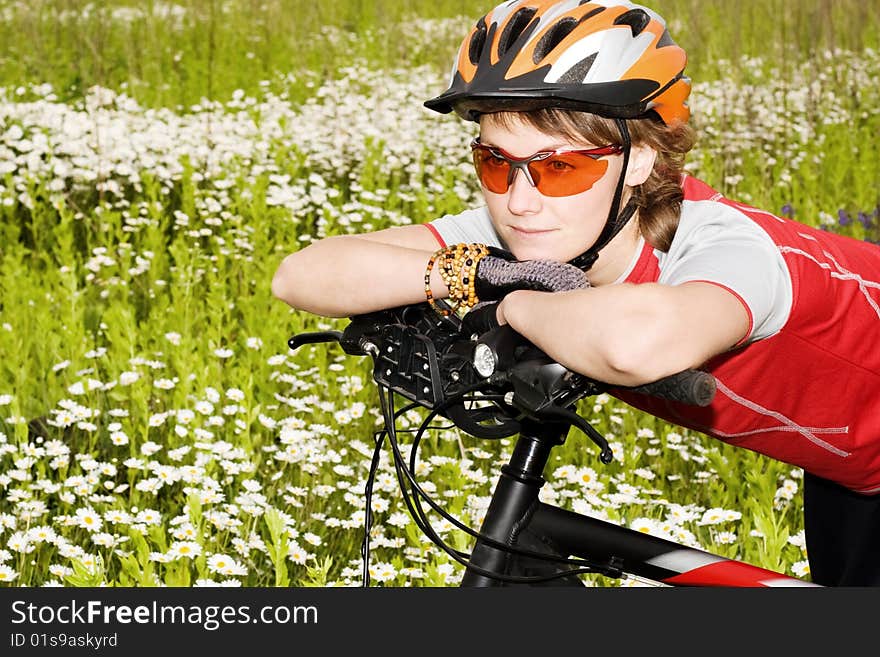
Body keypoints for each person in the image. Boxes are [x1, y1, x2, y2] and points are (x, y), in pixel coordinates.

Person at [272, 0, 880, 586]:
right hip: (849, 470)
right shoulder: (538, 234)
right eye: (494, 162)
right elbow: (304, 274)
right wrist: (474, 273)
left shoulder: (727, 246)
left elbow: (639, 343)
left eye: (561, 166)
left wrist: (509, 302)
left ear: (639, 159)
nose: (520, 199)